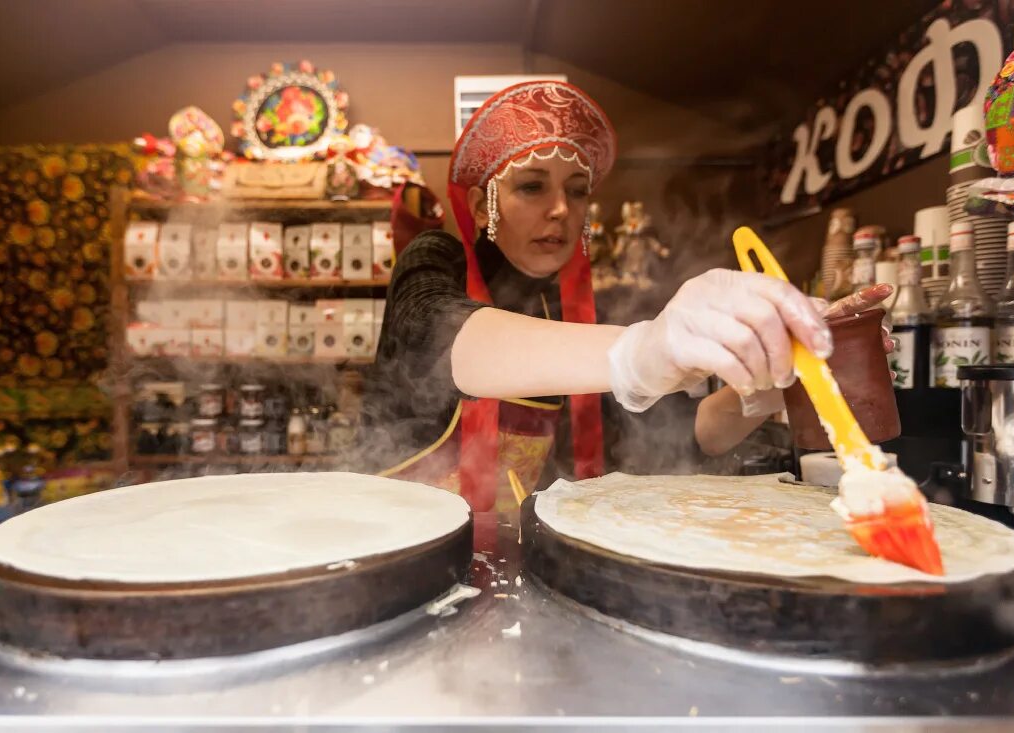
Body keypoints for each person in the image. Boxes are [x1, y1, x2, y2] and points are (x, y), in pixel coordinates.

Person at [360, 81, 892, 511]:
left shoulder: (582, 310)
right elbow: (450, 340)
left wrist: (772, 380)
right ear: (481, 206)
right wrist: (642, 351)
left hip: (514, 563)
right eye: (532, 186)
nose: (561, 211)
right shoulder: (436, 261)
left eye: (576, 190)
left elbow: (687, 435)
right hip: (407, 548)